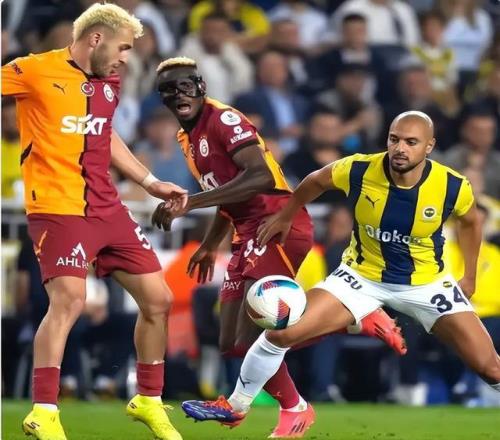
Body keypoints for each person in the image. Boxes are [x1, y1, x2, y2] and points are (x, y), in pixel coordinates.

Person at [180, 110, 500, 431]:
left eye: (411, 142)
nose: (400, 148)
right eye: (394, 139)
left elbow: (471, 222)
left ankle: (360, 322)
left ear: (429, 146)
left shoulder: (452, 185)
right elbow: (315, 181)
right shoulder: (359, 168)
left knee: (490, 369)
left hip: (426, 284)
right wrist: (287, 215)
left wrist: (469, 276)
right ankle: (235, 406)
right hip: (360, 277)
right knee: (279, 334)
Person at [151, 56, 406, 438]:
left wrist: (189, 202)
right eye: (169, 90)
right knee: (232, 343)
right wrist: (210, 243)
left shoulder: (224, 119)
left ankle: (272, 404)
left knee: (256, 332)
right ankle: (345, 330)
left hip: (276, 223)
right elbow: (227, 192)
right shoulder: (186, 138)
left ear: (201, 86)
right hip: (245, 233)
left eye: (186, 86)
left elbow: (258, 176)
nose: (179, 95)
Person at [1, 4, 187, 440]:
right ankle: (44, 411)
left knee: (158, 299)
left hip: (107, 207)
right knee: (69, 300)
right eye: (122, 48)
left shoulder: (108, 82)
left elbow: (103, 133)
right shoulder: (33, 70)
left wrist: (149, 181)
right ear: (96, 39)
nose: (125, 58)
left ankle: (148, 400)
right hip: (57, 206)